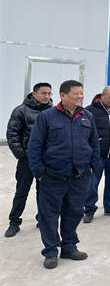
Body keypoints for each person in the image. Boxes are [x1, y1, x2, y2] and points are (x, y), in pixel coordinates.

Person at [28, 80, 99, 269]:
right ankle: (51, 251)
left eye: (82, 93)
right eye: (76, 93)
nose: (80, 96)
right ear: (63, 95)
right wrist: (39, 172)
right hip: (52, 176)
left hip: (79, 176)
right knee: (49, 216)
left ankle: (69, 247)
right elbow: (35, 145)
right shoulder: (47, 117)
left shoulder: (87, 116)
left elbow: (94, 142)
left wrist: (92, 165)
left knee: (74, 212)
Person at [5, 82, 53, 238]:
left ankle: (42, 219)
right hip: (27, 159)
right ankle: (14, 223)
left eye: (49, 93)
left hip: (45, 160)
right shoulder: (21, 110)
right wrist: (22, 154)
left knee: (44, 192)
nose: (47, 96)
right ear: (34, 94)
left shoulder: (52, 112)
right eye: (44, 93)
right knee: (22, 192)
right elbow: (12, 134)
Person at [83, 86, 110, 223]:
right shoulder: (89, 110)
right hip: (96, 155)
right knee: (92, 183)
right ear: (102, 96)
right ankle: (89, 208)